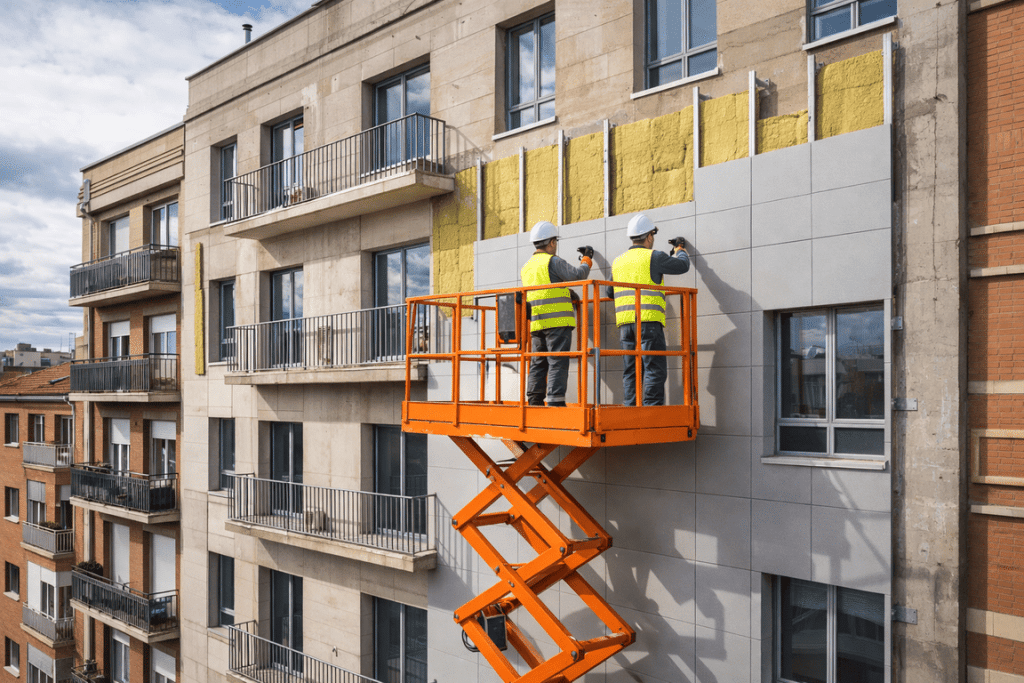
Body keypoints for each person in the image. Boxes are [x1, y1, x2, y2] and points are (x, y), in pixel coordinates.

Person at [610, 213, 690, 406]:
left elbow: (609, 291)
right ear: (649, 237)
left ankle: (631, 408)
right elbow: (682, 265)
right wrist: (679, 249)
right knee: (654, 367)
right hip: (648, 322)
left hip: (625, 324)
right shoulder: (654, 257)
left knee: (631, 369)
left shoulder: (618, 261)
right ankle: (652, 409)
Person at [520, 221, 594, 406]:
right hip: (557, 323)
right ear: (551, 242)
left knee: (538, 362)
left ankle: (534, 400)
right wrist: (586, 259)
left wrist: (567, 293)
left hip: (537, 323)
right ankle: (555, 402)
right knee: (557, 361)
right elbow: (578, 275)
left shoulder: (527, 267)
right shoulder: (552, 261)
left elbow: (543, 289)